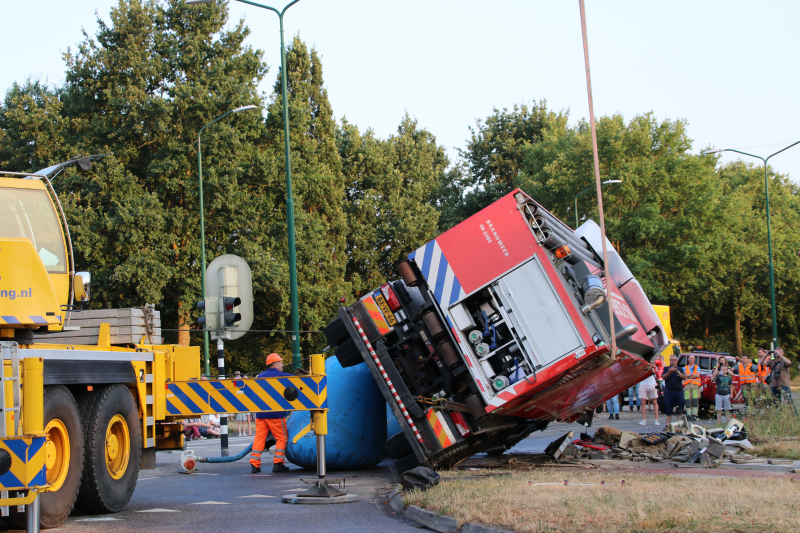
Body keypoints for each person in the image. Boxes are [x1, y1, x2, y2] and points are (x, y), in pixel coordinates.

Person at [250, 353, 291, 473]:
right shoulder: (282, 376)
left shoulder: (259, 377)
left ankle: (254, 464)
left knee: (259, 438)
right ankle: (278, 463)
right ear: (275, 365)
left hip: (261, 414)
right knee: (281, 438)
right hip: (276, 414)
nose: (282, 365)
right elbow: (298, 381)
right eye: (280, 362)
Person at [661, 356, 685, 426]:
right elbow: (664, 377)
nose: (673, 361)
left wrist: (678, 372)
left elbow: (684, 377)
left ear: (677, 361)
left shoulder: (680, 369)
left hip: (679, 392)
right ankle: (668, 425)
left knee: (680, 409)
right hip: (669, 392)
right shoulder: (666, 368)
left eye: (674, 360)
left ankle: (680, 425)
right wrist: (670, 372)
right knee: (668, 410)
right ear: (669, 360)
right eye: (671, 360)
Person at [711, 359, 733, 425]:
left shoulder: (729, 378)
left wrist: (731, 394)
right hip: (719, 394)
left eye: (724, 369)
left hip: (726, 394)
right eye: (722, 369)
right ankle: (718, 422)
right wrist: (717, 368)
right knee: (719, 409)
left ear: (727, 370)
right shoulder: (718, 376)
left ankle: (728, 422)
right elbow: (712, 380)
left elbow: (731, 386)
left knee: (727, 409)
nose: (723, 370)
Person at [680, 354, 701, 420]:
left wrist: (688, 376)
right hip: (687, 386)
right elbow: (684, 375)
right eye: (690, 358)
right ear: (688, 359)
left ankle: (694, 415)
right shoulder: (685, 367)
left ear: (694, 360)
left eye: (692, 358)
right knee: (687, 400)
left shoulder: (697, 367)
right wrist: (692, 374)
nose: (691, 359)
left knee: (695, 399)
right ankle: (688, 415)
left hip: (695, 385)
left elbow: (697, 375)